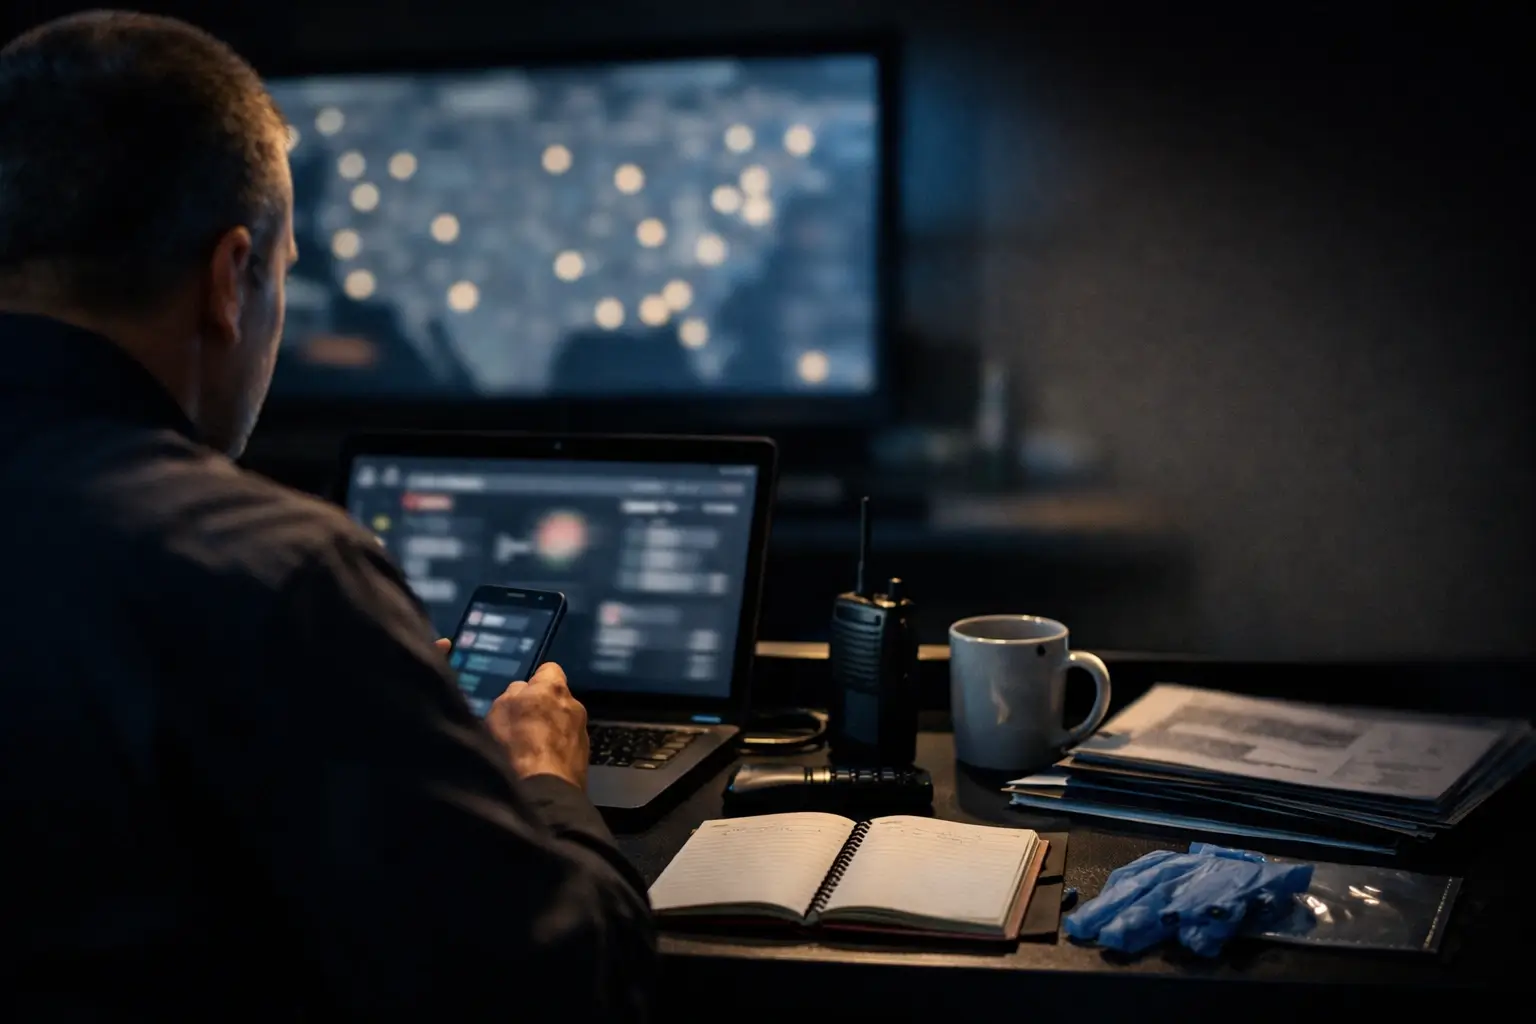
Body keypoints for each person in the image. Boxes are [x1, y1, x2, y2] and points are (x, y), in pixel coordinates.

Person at [0, 12, 653, 1020]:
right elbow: (553, 983)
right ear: (232, 278)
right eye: (284, 269)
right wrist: (542, 778)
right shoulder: (282, 574)